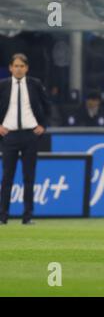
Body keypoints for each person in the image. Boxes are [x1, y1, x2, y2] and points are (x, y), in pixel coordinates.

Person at [0, 53, 50, 225]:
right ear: (10, 68)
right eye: (16, 66)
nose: (19, 69)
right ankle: (2, 216)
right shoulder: (3, 85)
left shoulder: (35, 84)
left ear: (27, 68)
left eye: (22, 66)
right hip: (9, 135)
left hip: (30, 135)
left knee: (29, 178)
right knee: (7, 178)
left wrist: (42, 125)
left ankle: (27, 216)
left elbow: (47, 105)